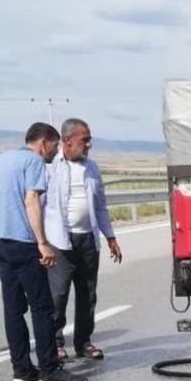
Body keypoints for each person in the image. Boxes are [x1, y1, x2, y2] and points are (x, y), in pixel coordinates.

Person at [0, 123, 86, 381]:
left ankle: (21, 369)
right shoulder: (34, 162)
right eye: (54, 146)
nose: (55, 152)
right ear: (43, 143)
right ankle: (49, 369)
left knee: (13, 307)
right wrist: (42, 242)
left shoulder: (0, 160)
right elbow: (32, 200)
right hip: (22, 241)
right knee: (42, 307)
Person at [45, 118, 121, 361]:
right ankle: (56, 342)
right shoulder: (50, 167)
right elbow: (39, 204)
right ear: (67, 140)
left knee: (88, 294)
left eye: (89, 139)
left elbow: (100, 206)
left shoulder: (92, 167)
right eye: (84, 140)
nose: (89, 145)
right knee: (58, 295)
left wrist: (110, 236)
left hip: (88, 239)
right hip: (60, 241)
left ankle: (83, 342)